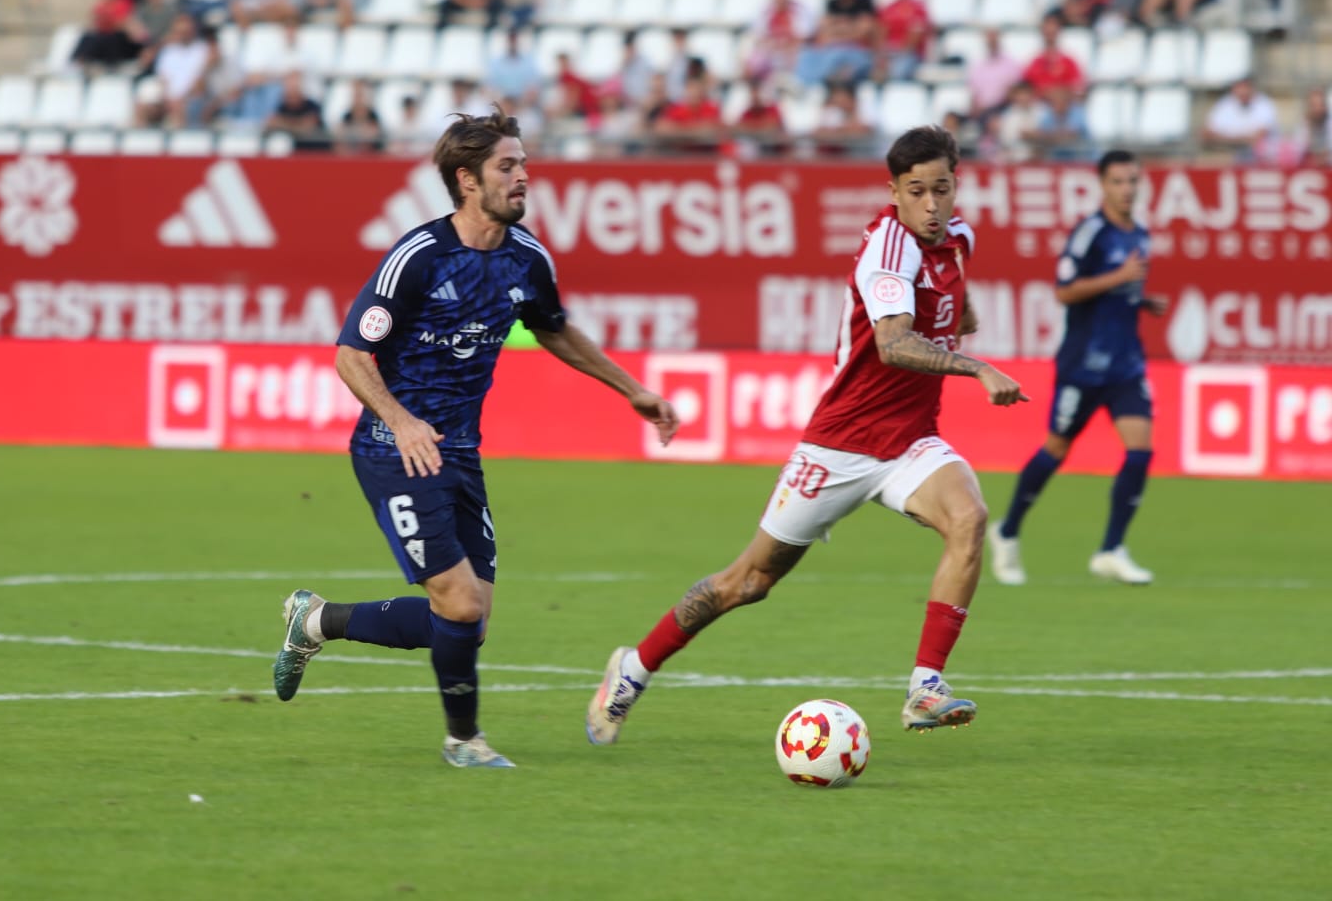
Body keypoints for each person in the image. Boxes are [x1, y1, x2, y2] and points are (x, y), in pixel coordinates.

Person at [585, 125, 1027, 745]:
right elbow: (896, 345)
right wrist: (976, 367)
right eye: (917, 191)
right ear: (893, 192)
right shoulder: (887, 250)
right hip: (839, 445)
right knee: (748, 582)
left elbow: (960, 306)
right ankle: (633, 667)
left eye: (942, 189)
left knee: (970, 518)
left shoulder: (958, 240)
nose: (931, 205)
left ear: (957, 186)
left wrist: (961, 319)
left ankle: (926, 688)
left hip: (909, 441)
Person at [273, 108, 680, 768]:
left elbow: (552, 328)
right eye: (507, 167)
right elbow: (351, 353)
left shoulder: (526, 258)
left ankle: (316, 621)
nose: (523, 178)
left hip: (460, 451)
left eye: (523, 165)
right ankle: (464, 742)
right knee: (458, 605)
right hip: (392, 448)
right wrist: (401, 420)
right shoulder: (419, 257)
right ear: (467, 180)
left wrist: (631, 388)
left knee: (470, 621)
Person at [989, 151, 1168, 587]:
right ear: (1103, 186)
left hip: (1125, 364)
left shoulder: (1139, 234)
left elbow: (1115, 295)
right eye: (1119, 182)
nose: (1127, 189)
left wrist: (1141, 301)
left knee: (1141, 450)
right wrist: (1118, 277)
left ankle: (1111, 549)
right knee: (1056, 449)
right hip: (1082, 367)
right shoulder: (1090, 234)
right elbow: (1065, 292)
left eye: (1133, 181)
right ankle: (1007, 531)